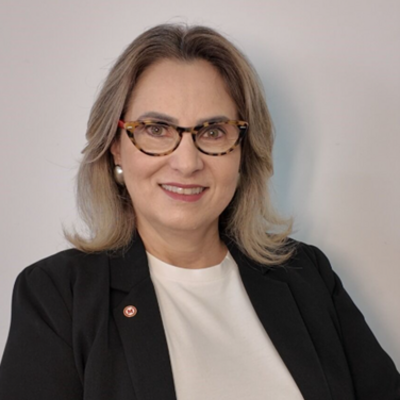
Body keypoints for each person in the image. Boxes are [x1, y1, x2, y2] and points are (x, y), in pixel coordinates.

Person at [0, 24, 399, 400]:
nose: (187, 162)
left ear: (243, 152)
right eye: (157, 129)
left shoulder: (306, 275)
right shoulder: (59, 296)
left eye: (213, 132)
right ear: (116, 146)